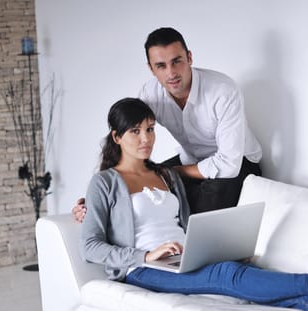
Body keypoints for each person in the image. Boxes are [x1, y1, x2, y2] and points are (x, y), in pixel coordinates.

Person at [81, 97, 308, 311]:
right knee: (226, 274)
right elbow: (90, 246)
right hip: (143, 270)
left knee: (234, 272)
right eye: (135, 131)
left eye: (150, 129)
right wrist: (146, 255)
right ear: (117, 137)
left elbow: (185, 223)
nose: (146, 139)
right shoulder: (104, 183)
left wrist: (212, 248)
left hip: (185, 257)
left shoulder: (166, 174)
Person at [73, 27, 262, 220]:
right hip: (191, 160)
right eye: (161, 66)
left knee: (205, 199)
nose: (171, 73)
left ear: (189, 57)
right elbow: (127, 142)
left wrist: (174, 173)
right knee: (142, 186)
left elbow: (229, 164)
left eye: (176, 61)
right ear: (151, 69)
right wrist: (95, 198)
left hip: (240, 164)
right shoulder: (150, 94)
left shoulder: (222, 90)